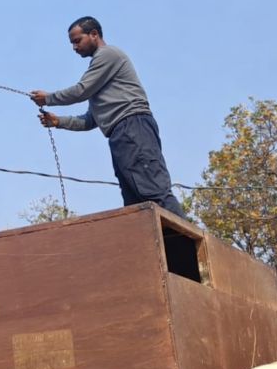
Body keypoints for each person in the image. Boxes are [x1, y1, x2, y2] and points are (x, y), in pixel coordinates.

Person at [30, 16, 186, 218]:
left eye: (77, 41)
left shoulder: (107, 55)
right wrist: (58, 122)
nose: (74, 47)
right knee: (135, 203)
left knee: (153, 191)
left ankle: (190, 247)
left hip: (133, 127)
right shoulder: (100, 76)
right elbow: (90, 120)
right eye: (72, 43)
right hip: (121, 134)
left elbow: (81, 90)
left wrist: (49, 98)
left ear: (94, 34)